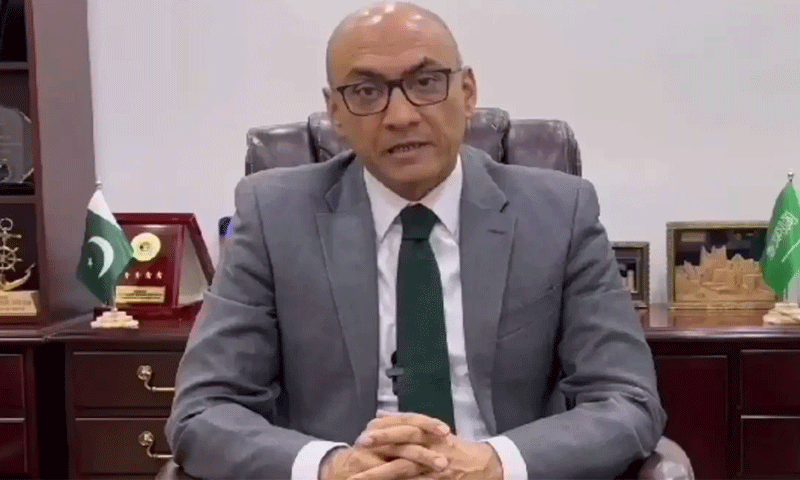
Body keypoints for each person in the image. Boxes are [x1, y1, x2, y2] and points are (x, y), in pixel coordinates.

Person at [165, 2, 667, 479]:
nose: (401, 115)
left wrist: (494, 463)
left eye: (425, 82)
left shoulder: (560, 212)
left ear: (467, 93)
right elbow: (203, 411)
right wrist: (332, 467)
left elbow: (627, 400)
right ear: (335, 111)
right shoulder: (273, 217)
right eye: (366, 92)